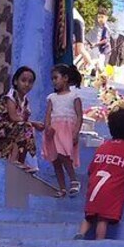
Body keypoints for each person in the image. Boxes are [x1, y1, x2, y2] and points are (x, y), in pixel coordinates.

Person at [75, 108, 124, 240]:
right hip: (111, 192)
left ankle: (80, 234)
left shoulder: (103, 146)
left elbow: (91, 168)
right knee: (103, 219)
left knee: (89, 215)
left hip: (94, 188)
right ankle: (99, 242)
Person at [0, 66, 44, 173]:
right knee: (26, 127)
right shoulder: (11, 95)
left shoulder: (25, 101)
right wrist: (34, 123)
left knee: (26, 130)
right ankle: (15, 159)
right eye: (23, 80)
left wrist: (27, 119)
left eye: (30, 82)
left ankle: (20, 160)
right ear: (16, 81)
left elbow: (22, 119)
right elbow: (13, 117)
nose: (27, 84)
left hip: (11, 128)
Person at [43, 64, 84, 198]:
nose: (54, 81)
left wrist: (76, 132)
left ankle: (73, 179)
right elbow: (48, 114)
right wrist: (47, 127)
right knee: (55, 159)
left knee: (64, 155)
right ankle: (62, 188)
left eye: (56, 78)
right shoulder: (51, 97)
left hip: (67, 130)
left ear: (65, 78)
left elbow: (79, 116)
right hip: (54, 131)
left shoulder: (74, 96)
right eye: (52, 79)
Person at [90, 8, 112, 73]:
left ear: (106, 18)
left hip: (105, 51)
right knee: (98, 67)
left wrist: (96, 44)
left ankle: (103, 81)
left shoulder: (106, 28)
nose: (100, 19)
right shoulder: (100, 27)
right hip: (101, 51)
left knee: (101, 68)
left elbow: (105, 40)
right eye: (99, 17)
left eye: (102, 17)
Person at [72, 7, 94, 72]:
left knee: (80, 48)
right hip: (76, 21)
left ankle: (91, 65)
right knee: (77, 51)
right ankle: (86, 64)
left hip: (77, 21)